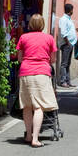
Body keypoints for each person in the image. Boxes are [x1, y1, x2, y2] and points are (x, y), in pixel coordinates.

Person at [16, 14, 58, 147]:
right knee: (39, 106)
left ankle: (28, 135)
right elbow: (53, 59)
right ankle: (35, 138)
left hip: (25, 72)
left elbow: (19, 58)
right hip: (41, 72)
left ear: (30, 25)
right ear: (42, 24)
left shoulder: (23, 37)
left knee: (27, 106)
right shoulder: (49, 38)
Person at [56, 3, 77, 87]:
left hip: (70, 43)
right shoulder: (63, 19)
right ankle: (63, 81)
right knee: (64, 63)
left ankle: (68, 81)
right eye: (72, 9)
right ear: (70, 10)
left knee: (68, 63)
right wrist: (68, 43)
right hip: (66, 44)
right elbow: (63, 33)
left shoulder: (69, 19)